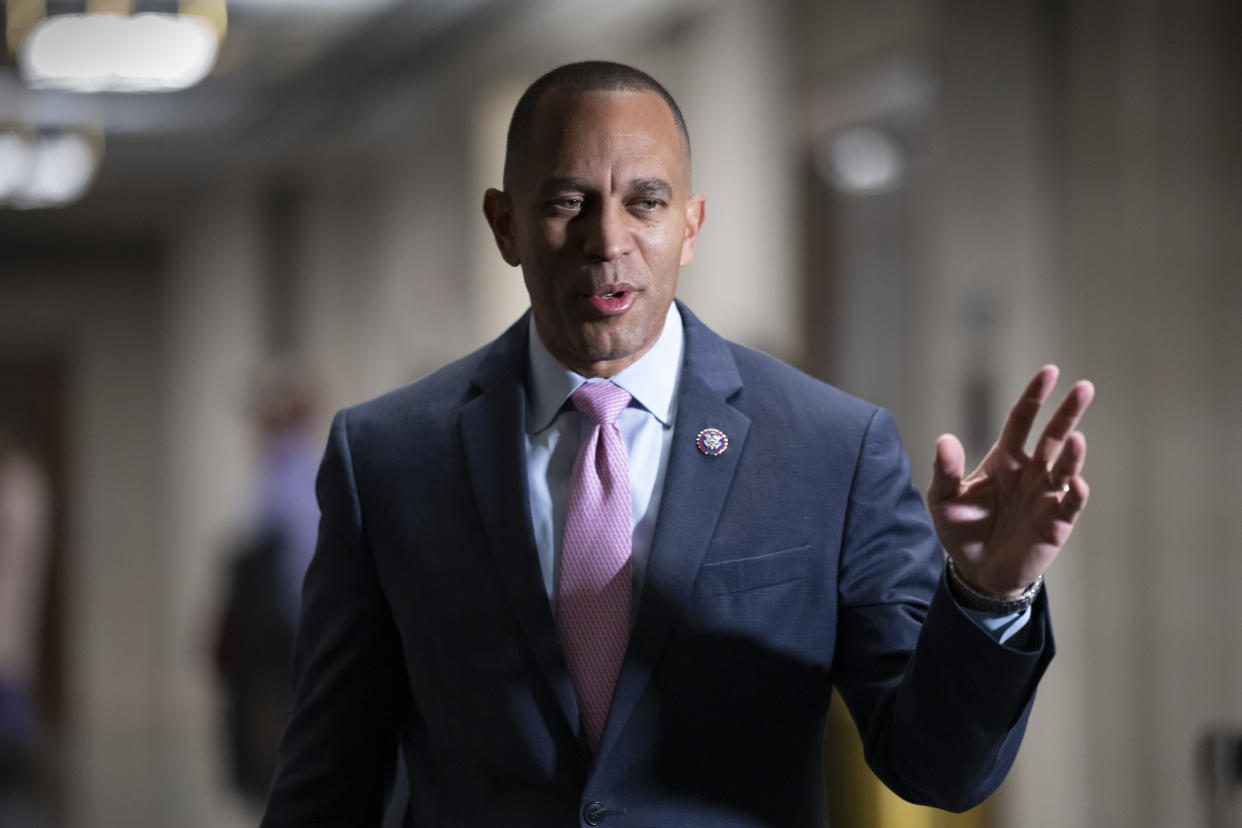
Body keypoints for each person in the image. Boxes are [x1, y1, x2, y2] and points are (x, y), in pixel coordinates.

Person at [262, 61, 1093, 827]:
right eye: (566, 201)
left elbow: (937, 769)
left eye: (646, 202)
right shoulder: (388, 457)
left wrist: (985, 598)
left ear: (691, 226)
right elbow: (328, 779)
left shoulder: (830, 450)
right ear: (505, 223)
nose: (607, 240)